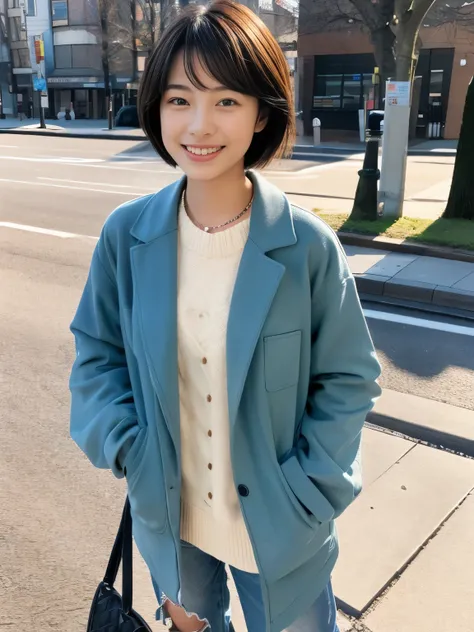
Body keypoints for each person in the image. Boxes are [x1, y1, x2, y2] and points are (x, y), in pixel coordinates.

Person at [68, 2, 382, 631]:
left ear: (261, 112)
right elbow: (96, 357)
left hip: (284, 527)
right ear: (156, 107)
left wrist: (311, 491)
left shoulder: (308, 247)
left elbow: (348, 380)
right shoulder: (127, 236)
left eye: (227, 101)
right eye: (179, 100)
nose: (199, 125)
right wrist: (129, 447)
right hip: (172, 522)